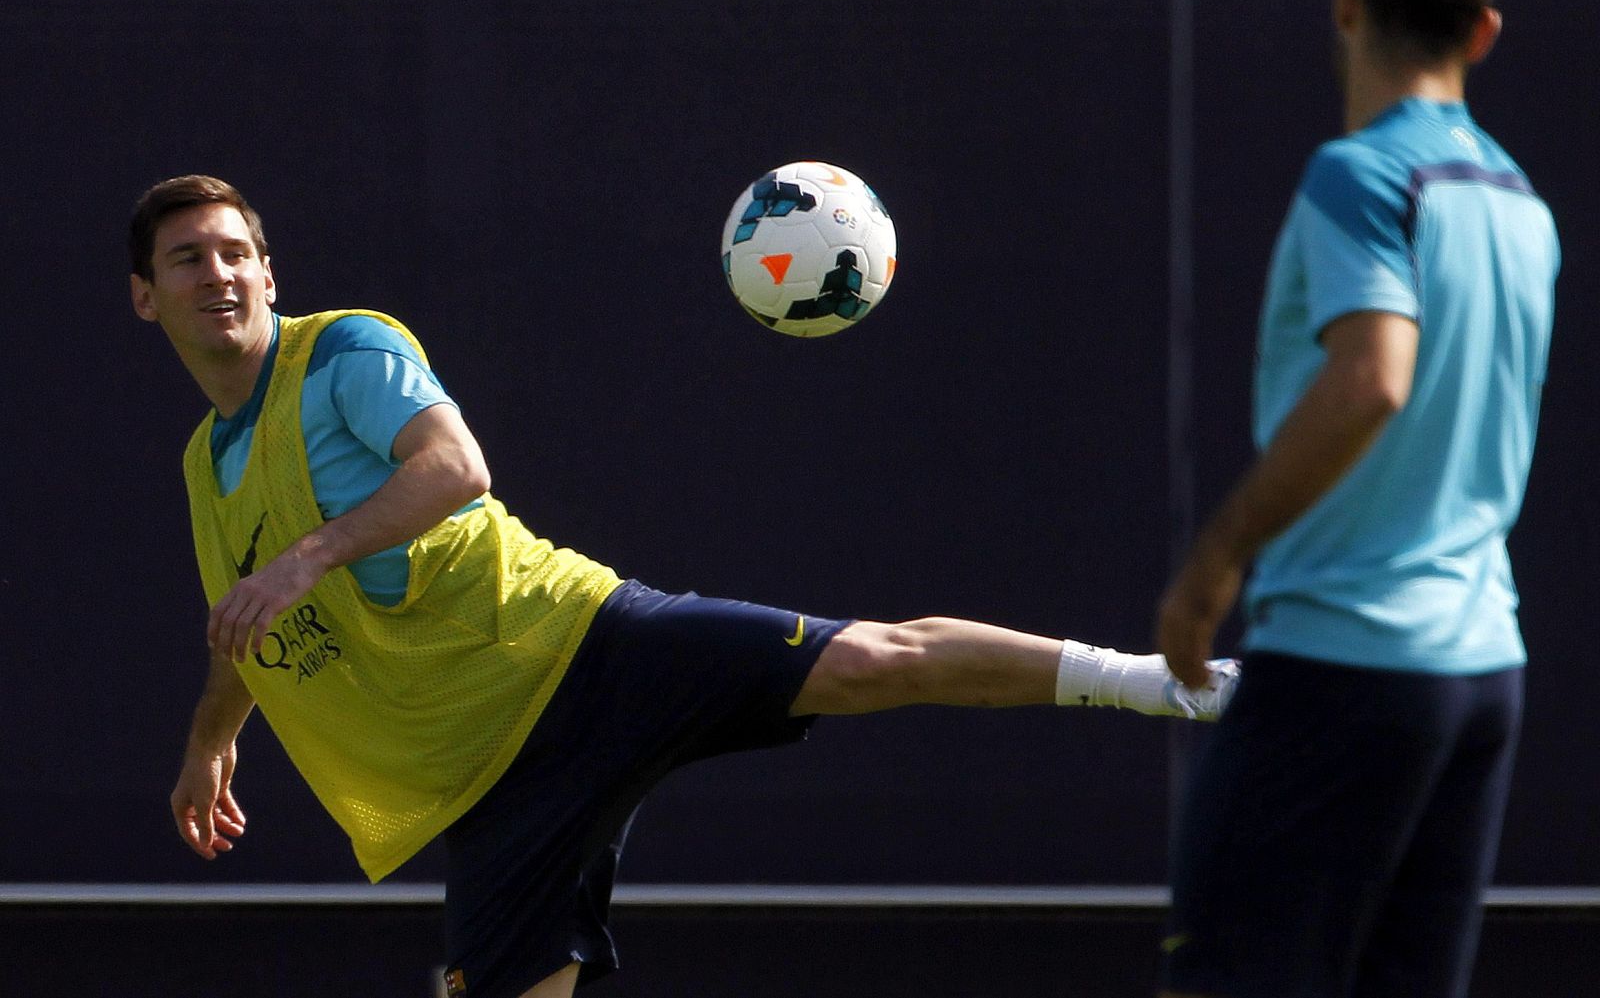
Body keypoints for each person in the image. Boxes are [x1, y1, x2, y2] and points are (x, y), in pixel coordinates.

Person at [130, 175, 1238, 998]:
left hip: (580, 648)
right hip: (486, 781)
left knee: (871, 660)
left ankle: (1162, 683)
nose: (217, 274)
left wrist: (309, 555)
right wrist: (210, 739)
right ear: (146, 297)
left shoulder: (344, 354)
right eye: (187, 259)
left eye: (235, 253)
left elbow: (456, 468)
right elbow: (251, 616)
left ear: (269, 273)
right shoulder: (204, 464)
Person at [1156, 0, 1559, 998]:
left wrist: (1213, 561)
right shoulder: (1523, 203)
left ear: (1343, 3)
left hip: (1344, 671)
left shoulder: (1358, 174)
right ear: (1483, 32)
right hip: (1481, 675)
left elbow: (1374, 376)